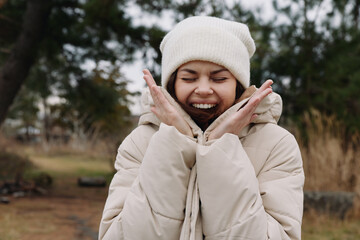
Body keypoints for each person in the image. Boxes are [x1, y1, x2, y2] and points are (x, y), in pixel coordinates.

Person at [99, 16, 304, 240]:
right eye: (189, 78)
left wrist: (221, 147)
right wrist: (173, 142)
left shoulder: (276, 144)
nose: (204, 89)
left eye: (219, 78)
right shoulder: (140, 142)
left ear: (237, 84)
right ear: (172, 83)